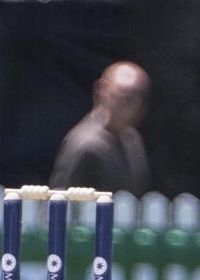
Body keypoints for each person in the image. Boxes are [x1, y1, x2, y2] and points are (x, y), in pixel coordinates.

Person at [49, 61, 151, 195]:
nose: (132, 103)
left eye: (139, 96)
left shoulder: (133, 140)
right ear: (101, 90)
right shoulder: (85, 144)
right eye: (124, 95)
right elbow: (60, 200)